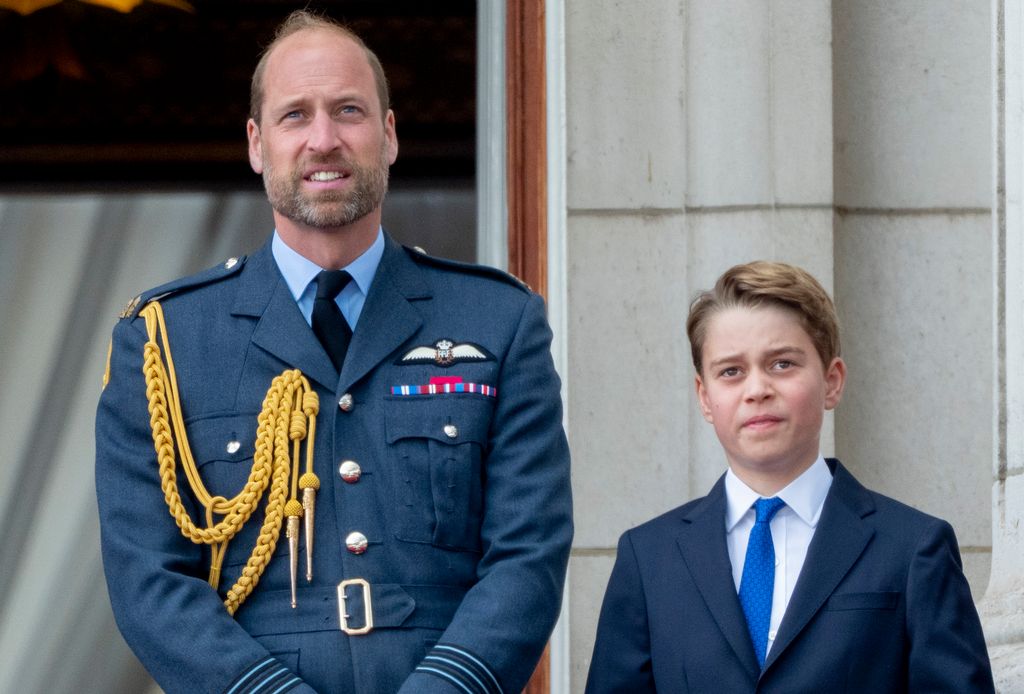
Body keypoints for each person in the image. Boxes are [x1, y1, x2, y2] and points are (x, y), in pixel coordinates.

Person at [95, 10, 572, 694]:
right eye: (296, 116)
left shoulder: (499, 320)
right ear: (258, 144)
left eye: (348, 111)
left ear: (390, 134)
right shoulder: (166, 342)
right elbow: (148, 580)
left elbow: (528, 555)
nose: (324, 139)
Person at [584, 261, 993, 693]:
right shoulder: (649, 559)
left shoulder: (913, 549)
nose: (757, 388)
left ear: (831, 381)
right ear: (705, 397)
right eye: (731, 371)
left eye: (781, 364)